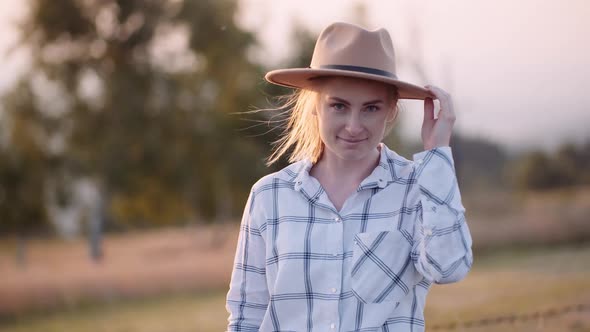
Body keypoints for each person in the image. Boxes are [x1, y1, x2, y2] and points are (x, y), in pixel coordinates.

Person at [225, 22, 473, 332]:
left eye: (370, 108)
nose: (354, 126)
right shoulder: (269, 196)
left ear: (391, 111)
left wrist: (437, 155)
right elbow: (246, 316)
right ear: (315, 106)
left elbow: (449, 267)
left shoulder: (417, 189)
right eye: (339, 106)